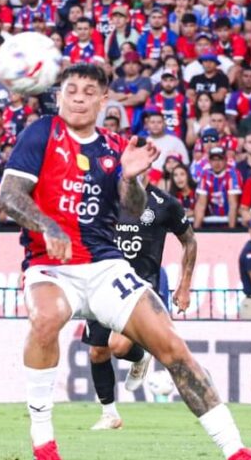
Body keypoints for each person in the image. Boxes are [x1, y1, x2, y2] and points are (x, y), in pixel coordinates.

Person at [0, 63, 251, 460]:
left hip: (105, 265)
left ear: (104, 100)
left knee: (171, 346)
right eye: (71, 90)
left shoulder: (118, 146)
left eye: (88, 91)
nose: (79, 97)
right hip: (49, 264)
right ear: (59, 95)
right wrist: (48, 226)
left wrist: (132, 179)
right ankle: (43, 438)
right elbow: (9, 196)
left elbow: (133, 210)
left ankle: (235, 449)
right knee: (48, 318)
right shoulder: (42, 132)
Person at [85, 184, 197, 430]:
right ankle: (110, 414)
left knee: (118, 346)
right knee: (97, 352)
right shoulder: (104, 195)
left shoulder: (163, 203)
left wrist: (185, 285)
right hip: (104, 281)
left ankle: (140, 355)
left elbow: (189, 241)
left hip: (138, 287)